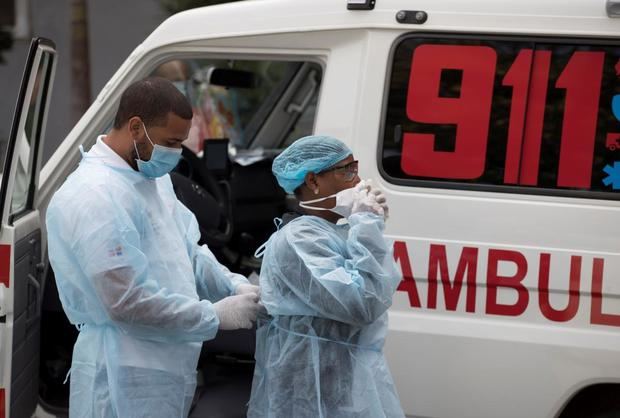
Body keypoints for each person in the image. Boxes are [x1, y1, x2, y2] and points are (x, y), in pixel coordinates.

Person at [46, 77, 261, 418]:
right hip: (124, 373)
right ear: (135, 127)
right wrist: (214, 315)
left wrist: (232, 283)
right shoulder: (93, 196)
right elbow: (126, 302)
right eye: (170, 142)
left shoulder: (150, 177)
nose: (175, 154)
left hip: (167, 364)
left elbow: (186, 249)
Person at [247, 135, 405, 417]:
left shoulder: (335, 231)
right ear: (312, 181)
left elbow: (381, 287)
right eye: (346, 171)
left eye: (354, 168)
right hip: (307, 389)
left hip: (340, 381)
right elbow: (364, 303)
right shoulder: (299, 239)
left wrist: (368, 226)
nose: (357, 181)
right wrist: (366, 224)